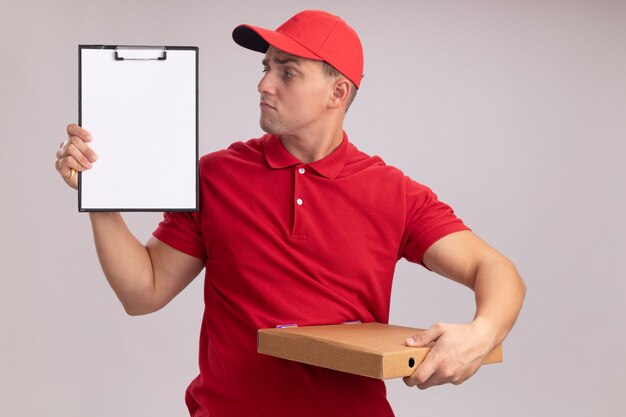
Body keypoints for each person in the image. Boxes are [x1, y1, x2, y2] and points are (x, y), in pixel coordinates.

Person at [55, 10, 525, 417]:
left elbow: (495, 269)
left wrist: (480, 334)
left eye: (288, 72)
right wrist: (101, 196)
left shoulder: (393, 193)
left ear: (337, 92)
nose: (263, 84)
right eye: (265, 67)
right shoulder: (216, 175)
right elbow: (144, 292)